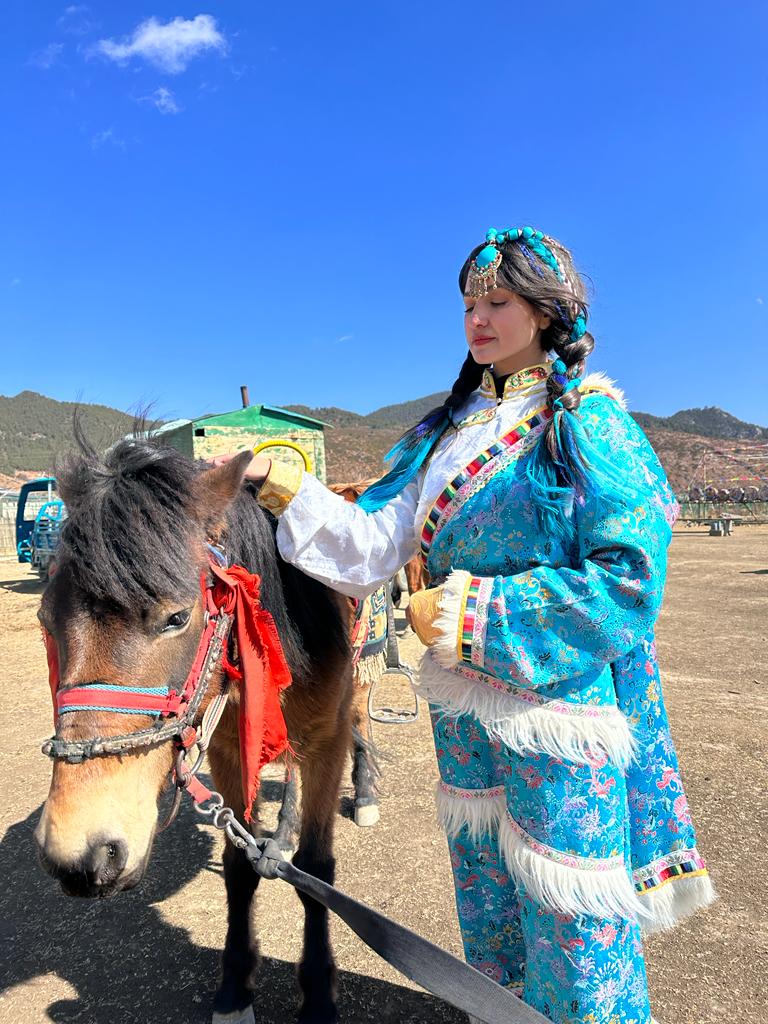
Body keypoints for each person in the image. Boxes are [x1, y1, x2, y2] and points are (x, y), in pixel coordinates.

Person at [222, 226, 714, 1023]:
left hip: (557, 709)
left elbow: (628, 577)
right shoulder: (447, 433)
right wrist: (283, 483)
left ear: (548, 313)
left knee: (571, 912)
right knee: (487, 900)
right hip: (464, 708)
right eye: (468, 304)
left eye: (499, 301)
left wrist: (465, 610)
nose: (478, 319)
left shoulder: (588, 421)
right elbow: (373, 544)